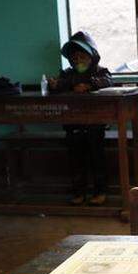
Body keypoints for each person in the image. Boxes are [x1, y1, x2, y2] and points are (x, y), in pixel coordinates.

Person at [51, 31, 113, 206]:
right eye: (74, 57)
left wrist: (89, 85)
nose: (78, 60)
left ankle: (100, 191)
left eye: (82, 56)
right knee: (75, 159)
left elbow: (108, 81)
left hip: (95, 125)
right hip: (73, 125)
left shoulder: (101, 72)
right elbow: (59, 85)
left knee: (97, 158)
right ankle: (79, 192)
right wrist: (56, 85)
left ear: (92, 56)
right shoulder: (67, 74)